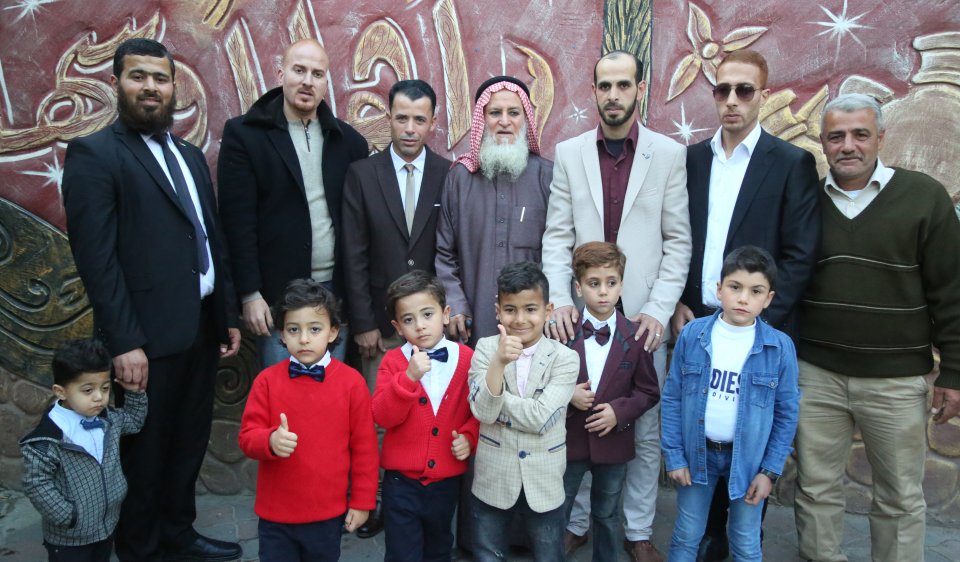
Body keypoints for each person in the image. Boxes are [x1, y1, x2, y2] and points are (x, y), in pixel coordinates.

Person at [61, 38, 242, 561]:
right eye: (138, 76)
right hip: (144, 339)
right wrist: (124, 342)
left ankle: (178, 535)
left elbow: (210, 240)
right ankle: (140, 548)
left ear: (173, 87)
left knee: (187, 443)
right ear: (116, 82)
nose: (150, 87)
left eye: (160, 79)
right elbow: (97, 260)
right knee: (143, 453)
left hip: (199, 327)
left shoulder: (189, 156)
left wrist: (225, 314)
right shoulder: (95, 154)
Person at [794, 93, 960, 562]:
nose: (848, 145)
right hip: (817, 375)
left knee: (899, 497)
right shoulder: (805, 202)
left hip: (895, 381)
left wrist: (953, 373)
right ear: (823, 142)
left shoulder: (923, 197)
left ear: (881, 138)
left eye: (860, 134)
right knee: (816, 488)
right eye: (836, 136)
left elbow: (951, 291)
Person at [669, 49, 820, 561]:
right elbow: (680, 237)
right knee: (703, 427)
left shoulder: (791, 163)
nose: (732, 100)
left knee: (747, 439)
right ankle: (707, 541)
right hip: (698, 321)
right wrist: (681, 300)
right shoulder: (692, 159)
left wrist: (754, 322)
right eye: (722, 90)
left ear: (763, 95)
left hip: (757, 329)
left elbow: (800, 254)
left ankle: (737, 541)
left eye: (744, 90)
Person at [542, 50, 690, 562]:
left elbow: (678, 242)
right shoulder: (569, 153)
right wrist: (558, 300)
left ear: (640, 90)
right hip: (582, 315)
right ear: (594, 91)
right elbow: (556, 235)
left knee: (643, 427)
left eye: (623, 85)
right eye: (605, 86)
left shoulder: (668, 154)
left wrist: (658, 309)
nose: (613, 95)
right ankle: (579, 522)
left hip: (642, 318)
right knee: (579, 420)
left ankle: (638, 529)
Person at [218, 38, 368, 367]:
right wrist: (250, 294)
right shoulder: (245, 135)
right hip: (276, 294)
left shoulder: (350, 142)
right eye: (299, 70)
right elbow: (236, 223)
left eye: (317, 74)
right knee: (281, 389)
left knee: (330, 388)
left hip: (334, 292)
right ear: (281, 74)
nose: (307, 81)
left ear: (326, 83)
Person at [661, 246, 800, 562]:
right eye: (735, 287)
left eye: (755, 291)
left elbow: (787, 413)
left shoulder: (779, 348)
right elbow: (672, 398)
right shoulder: (693, 335)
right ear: (719, 289)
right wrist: (674, 456)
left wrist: (769, 471)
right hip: (697, 455)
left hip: (749, 461)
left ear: (768, 299)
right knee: (686, 535)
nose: (743, 298)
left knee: (746, 542)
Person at [238, 279, 378, 562]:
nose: (304, 338)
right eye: (294, 329)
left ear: (333, 331)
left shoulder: (352, 383)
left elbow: (365, 449)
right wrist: (270, 440)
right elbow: (247, 438)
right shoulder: (266, 381)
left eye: (314, 329)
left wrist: (363, 502)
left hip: (327, 513)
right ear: (281, 333)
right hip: (276, 514)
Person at [343, 79, 452, 392]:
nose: (410, 129)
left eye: (419, 120)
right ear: (389, 117)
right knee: (383, 408)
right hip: (381, 327)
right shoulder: (362, 174)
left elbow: (453, 250)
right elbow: (353, 254)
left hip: (434, 326)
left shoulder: (448, 174)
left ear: (433, 122)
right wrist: (364, 323)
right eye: (402, 118)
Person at [468, 261, 579, 562]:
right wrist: (498, 363)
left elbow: (540, 417)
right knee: (487, 554)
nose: (519, 319)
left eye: (530, 309)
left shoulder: (565, 358)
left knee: (548, 554)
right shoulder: (486, 349)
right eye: (510, 309)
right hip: (493, 474)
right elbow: (482, 412)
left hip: (544, 477)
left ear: (548, 310)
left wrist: (497, 404)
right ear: (497, 311)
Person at [435, 76, 553, 347]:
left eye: (514, 113)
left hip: (533, 326)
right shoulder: (459, 178)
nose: (504, 121)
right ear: (482, 119)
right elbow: (444, 252)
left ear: (526, 119)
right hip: (473, 321)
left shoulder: (547, 176)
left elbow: (559, 249)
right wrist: (455, 302)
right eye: (495, 113)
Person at [561, 242, 661, 562]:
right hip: (569, 442)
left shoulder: (635, 336)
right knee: (558, 510)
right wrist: (567, 394)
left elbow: (649, 391)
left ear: (621, 284)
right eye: (594, 283)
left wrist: (619, 412)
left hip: (614, 443)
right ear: (579, 287)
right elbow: (543, 382)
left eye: (611, 282)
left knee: (606, 513)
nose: (603, 292)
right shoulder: (563, 334)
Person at [371, 271, 479, 562]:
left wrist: (470, 437)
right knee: (402, 554)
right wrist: (407, 379)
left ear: (445, 314)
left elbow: (479, 411)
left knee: (439, 549)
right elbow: (383, 416)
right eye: (408, 320)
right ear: (397, 326)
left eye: (427, 314)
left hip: (445, 482)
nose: (419, 326)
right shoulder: (393, 361)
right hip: (401, 483)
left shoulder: (467, 359)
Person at [20, 339, 147, 562]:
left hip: (107, 525)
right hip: (69, 538)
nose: (99, 397)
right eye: (88, 390)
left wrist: (135, 394)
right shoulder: (46, 440)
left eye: (105, 388)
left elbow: (134, 422)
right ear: (61, 392)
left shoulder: (109, 420)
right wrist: (67, 516)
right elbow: (36, 483)